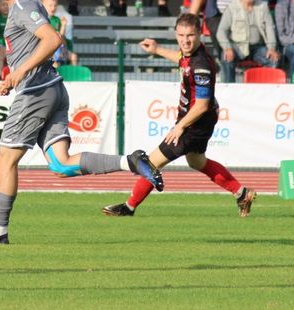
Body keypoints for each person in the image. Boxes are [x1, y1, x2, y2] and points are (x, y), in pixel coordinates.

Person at [0, 0, 162, 244]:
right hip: (52, 88)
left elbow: (53, 40)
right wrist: (16, 75)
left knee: (5, 159)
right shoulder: (21, 7)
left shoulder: (23, 5)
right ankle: (130, 162)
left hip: (36, 92)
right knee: (61, 164)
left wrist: (19, 72)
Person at [102, 13, 257, 218]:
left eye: (190, 35)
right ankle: (242, 193)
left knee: (151, 163)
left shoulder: (201, 65)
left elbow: (201, 105)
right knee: (197, 162)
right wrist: (157, 49)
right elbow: (181, 59)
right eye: (181, 35)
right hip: (197, 120)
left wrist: (180, 126)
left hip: (194, 123)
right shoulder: (190, 55)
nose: (185, 40)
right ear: (176, 34)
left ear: (200, 34)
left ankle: (128, 208)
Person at [215, 0, 280, 82]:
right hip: (237, 46)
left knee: (273, 58)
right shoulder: (231, 7)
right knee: (226, 57)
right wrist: (227, 48)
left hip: (257, 47)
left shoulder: (263, 6)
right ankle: (228, 90)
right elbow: (221, 31)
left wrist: (271, 48)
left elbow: (270, 28)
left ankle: (267, 90)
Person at [41, 0, 77, 66]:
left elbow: (61, 36)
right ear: (43, 5)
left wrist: (63, 26)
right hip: (47, 50)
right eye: (50, 5)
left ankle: (72, 77)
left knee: (73, 57)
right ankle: (57, 76)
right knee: (55, 64)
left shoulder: (57, 20)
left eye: (55, 5)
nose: (53, 8)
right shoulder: (42, 20)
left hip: (58, 48)